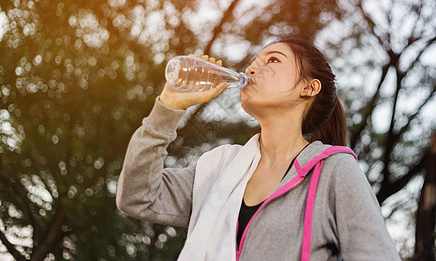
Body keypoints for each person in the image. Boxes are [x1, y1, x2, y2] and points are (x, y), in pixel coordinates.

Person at [116, 38, 401, 260]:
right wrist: (168, 106)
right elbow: (137, 196)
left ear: (308, 88)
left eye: (273, 60)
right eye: (252, 62)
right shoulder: (219, 169)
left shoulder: (333, 170)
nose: (250, 69)